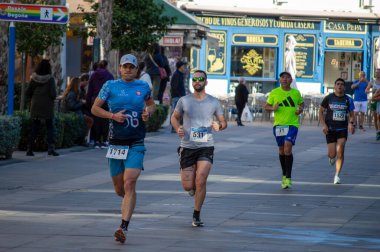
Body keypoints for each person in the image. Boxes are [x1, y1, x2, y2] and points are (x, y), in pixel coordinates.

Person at [91, 54, 155, 244]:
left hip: (136, 142)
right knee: (120, 189)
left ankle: (123, 226)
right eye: (125, 66)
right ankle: (129, 201)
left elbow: (151, 105)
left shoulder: (143, 87)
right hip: (115, 144)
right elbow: (95, 109)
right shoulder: (110, 86)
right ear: (120, 68)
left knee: (129, 183)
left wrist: (147, 112)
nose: (128, 69)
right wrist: (112, 116)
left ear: (137, 70)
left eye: (131, 67)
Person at [171, 69, 227, 227]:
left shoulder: (214, 102)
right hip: (187, 146)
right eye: (194, 79)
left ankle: (196, 214)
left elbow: (224, 122)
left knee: (201, 179)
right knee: (188, 186)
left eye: (200, 79)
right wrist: (177, 128)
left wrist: (219, 125)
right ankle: (192, 186)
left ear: (206, 82)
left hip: (206, 145)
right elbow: (174, 118)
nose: (197, 82)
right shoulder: (184, 100)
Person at [264, 71, 304, 189]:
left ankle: (289, 177)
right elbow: (266, 107)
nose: (285, 79)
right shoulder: (274, 92)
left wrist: (300, 110)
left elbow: (302, 104)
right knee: (282, 150)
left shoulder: (296, 93)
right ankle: (284, 175)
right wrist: (272, 108)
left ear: (291, 80)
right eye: (283, 77)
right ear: (280, 80)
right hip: (279, 125)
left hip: (292, 124)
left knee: (288, 146)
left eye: (287, 77)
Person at [319, 78, 355, 184]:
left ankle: (337, 175)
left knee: (340, 150)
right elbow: (321, 112)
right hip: (330, 129)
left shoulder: (348, 99)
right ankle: (331, 158)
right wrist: (324, 125)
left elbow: (352, 115)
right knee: (332, 154)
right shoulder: (328, 98)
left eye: (342, 84)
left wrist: (351, 123)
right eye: (338, 84)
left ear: (344, 87)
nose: (340, 86)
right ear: (334, 86)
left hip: (342, 129)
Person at [25, 59, 59, 157]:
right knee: (49, 127)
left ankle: (29, 149)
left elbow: (28, 93)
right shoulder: (50, 79)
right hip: (47, 106)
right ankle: (51, 149)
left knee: (35, 127)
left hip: (35, 105)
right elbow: (53, 94)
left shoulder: (33, 78)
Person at [86, 59, 114, 148]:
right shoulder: (110, 76)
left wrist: (88, 102)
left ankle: (97, 141)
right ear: (106, 66)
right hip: (106, 101)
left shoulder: (94, 75)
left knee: (97, 121)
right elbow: (112, 90)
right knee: (105, 120)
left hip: (95, 101)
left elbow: (90, 90)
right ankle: (105, 140)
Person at [62, 77, 94, 144]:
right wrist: (81, 102)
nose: (80, 85)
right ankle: (82, 139)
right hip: (73, 113)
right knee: (90, 120)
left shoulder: (73, 92)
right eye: (79, 83)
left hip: (75, 112)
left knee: (89, 119)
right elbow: (72, 106)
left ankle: (83, 138)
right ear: (76, 84)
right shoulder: (72, 93)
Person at [170, 61, 187, 132]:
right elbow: (175, 86)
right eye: (183, 66)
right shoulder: (177, 75)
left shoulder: (180, 74)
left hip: (179, 96)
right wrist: (180, 95)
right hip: (177, 96)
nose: (184, 67)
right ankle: (174, 127)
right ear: (180, 67)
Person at [365, 68, 380, 140]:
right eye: (376, 72)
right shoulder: (372, 81)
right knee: (375, 117)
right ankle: (377, 131)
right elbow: (366, 90)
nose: (377, 74)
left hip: (379, 100)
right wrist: (371, 91)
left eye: (378, 73)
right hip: (374, 101)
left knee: (379, 116)